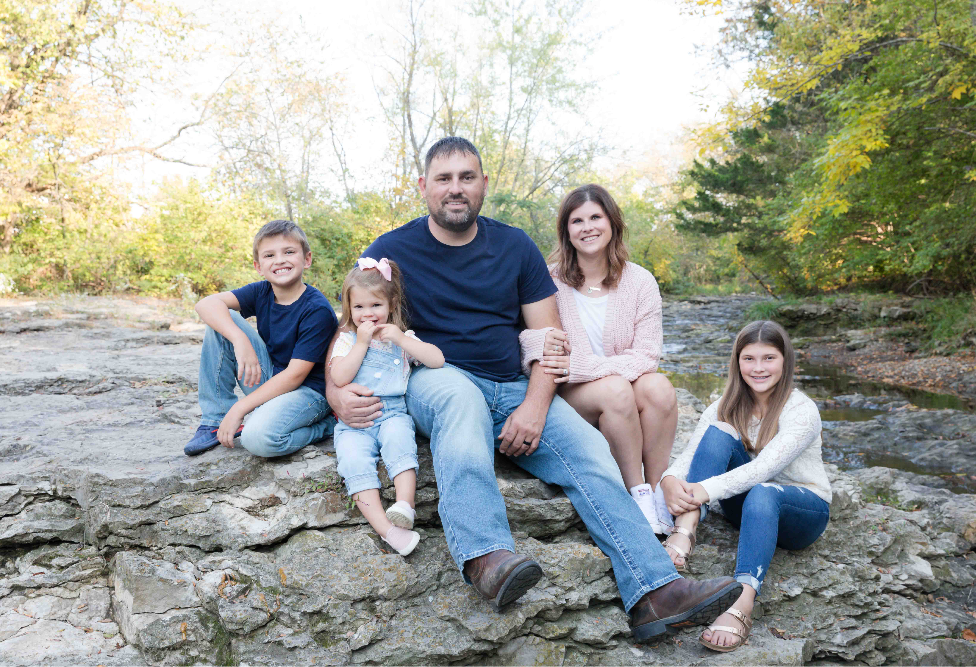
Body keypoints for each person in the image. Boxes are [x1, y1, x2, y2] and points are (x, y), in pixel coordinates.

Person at [325, 136, 742, 642]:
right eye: (444, 178)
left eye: (467, 177)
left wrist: (535, 407)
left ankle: (655, 590)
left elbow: (549, 341)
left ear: (483, 184)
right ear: (423, 187)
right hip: (438, 377)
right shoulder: (390, 250)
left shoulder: (514, 245)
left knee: (589, 450)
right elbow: (350, 325)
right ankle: (486, 556)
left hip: (513, 385)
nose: (455, 189)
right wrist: (335, 392)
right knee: (460, 403)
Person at [659, 320, 831, 652]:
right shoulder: (724, 405)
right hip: (748, 507)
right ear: (737, 361)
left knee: (764, 489)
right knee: (720, 431)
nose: (758, 368)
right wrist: (668, 480)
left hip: (802, 513)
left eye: (769, 358)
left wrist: (703, 490)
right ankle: (685, 529)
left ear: (785, 361)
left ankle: (742, 603)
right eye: (749, 358)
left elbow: (765, 469)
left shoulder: (801, 410)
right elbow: (690, 455)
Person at [519, 184, 678, 536]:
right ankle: (635, 494)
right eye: (577, 220)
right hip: (571, 395)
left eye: (595, 217)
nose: (587, 227)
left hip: (608, 381)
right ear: (566, 231)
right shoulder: (548, 279)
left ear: (612, 223)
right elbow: (527, 337)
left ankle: (658, 491)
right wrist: (555, 358)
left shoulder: (640, 281)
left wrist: (588, 367)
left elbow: (648, 354)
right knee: (617, 390)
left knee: (660, 387)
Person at [184, 220, 338, 457]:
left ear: (306, 259)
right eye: (269, 255)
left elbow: (295, 375)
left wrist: (240, 408)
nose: (279, 260)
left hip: (309, 392)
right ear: (258, 266)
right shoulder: (262, 291)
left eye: (289, 252)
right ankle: (215, 420)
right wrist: (239, 339)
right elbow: (205, 304)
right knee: (223, 319)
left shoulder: (317, 310)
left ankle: (326, 427)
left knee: (257, 439)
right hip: (272, 377)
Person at [327, 257, 445, 556]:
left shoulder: (401, 338)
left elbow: (436, 360)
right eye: (359, 308)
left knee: (399, 442)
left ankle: (405, 504)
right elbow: (339, 377)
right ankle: (387, 530)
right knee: (353, 461)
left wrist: (403, 340)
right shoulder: (347, 339)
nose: (368, 314)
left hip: (392, 412)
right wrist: (362, 344)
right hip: (354, 423)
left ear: (391, 304)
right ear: (349, 310)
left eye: (375, 306)